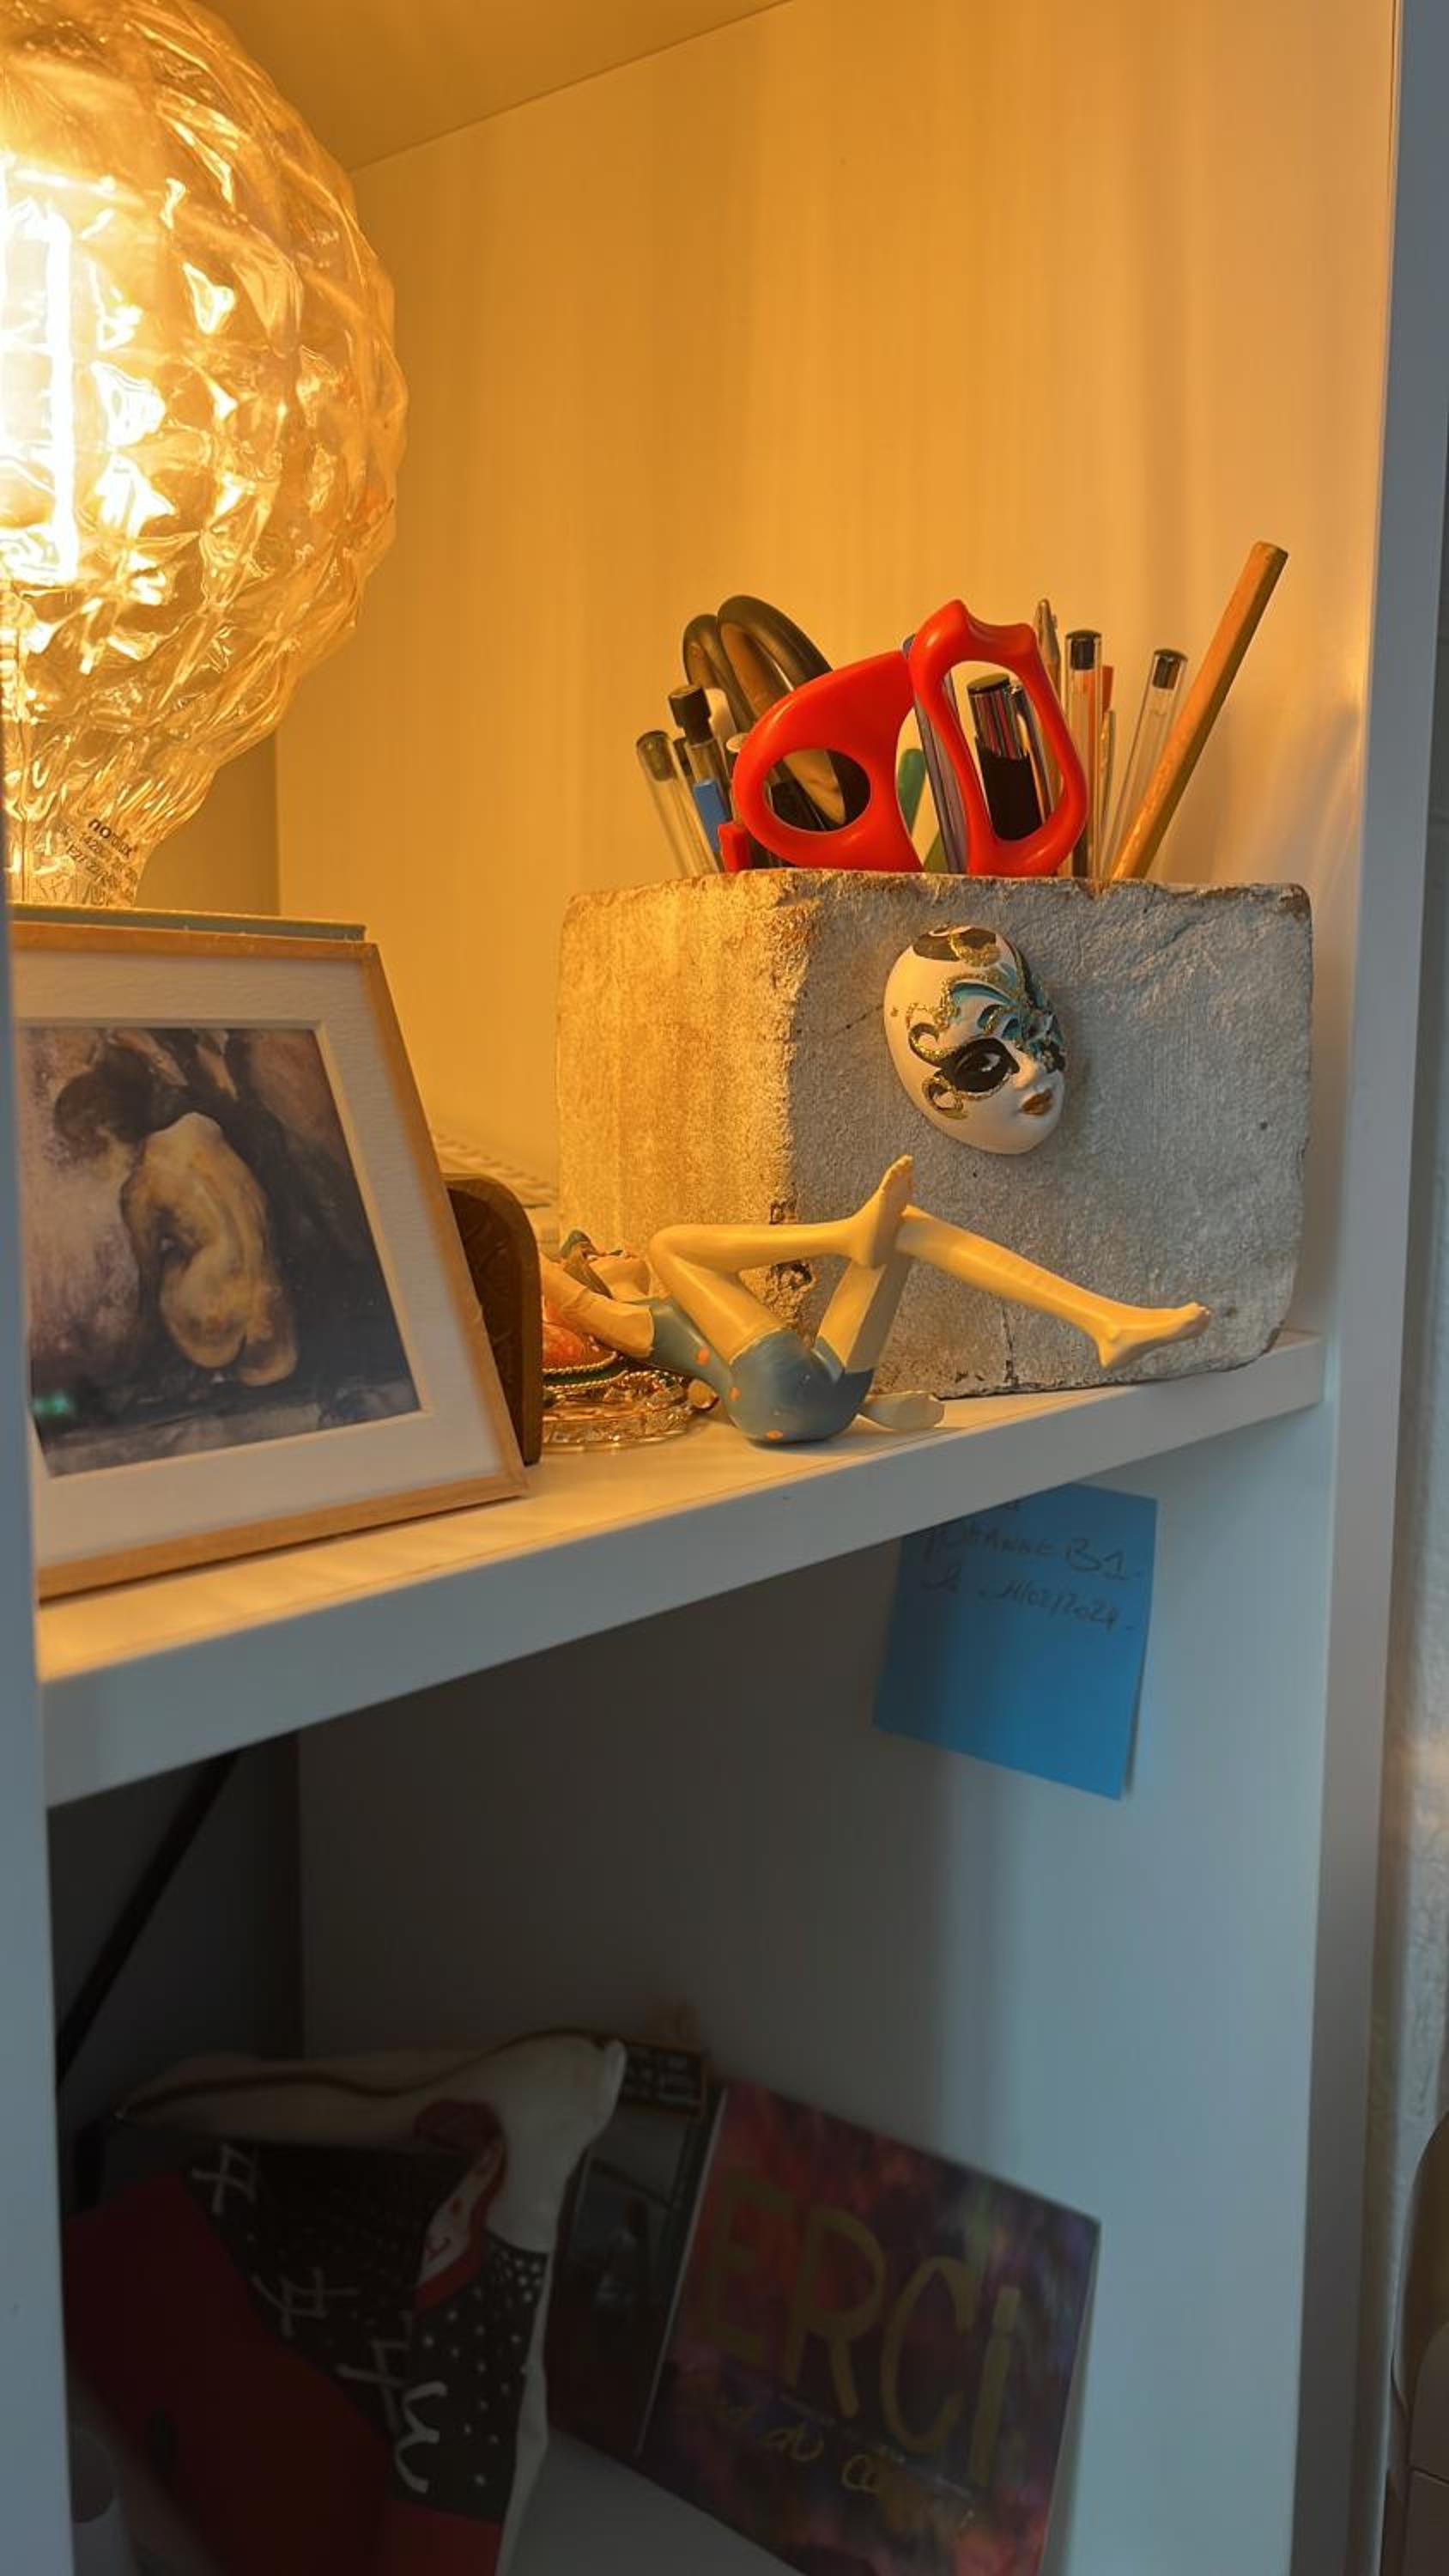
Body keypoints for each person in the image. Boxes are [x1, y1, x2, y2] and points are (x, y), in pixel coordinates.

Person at [542, 1156, 1208, 1447]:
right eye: (602, 1256)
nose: (615, 1249)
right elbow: (569, 1298)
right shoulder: (636, 1324)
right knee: (669, 1243)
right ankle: (844, 1235)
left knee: (908, 1227)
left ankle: (1105, 1320)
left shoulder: (707, 1305)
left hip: (824, 1396)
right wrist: (515, 1240)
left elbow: (719, 1391)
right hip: (781, 1401)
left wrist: (873, 1408)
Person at [54, 1041, 298, 1389]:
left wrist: (129, 1363)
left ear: (103, 1134)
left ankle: (202, 1364)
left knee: (167, 1261)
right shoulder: (199, 1127)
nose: (86, 1165)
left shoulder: (138, 1192)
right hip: (273, 1318)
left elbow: (150, 1294)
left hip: (215, 1326)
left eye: (83, 1151)